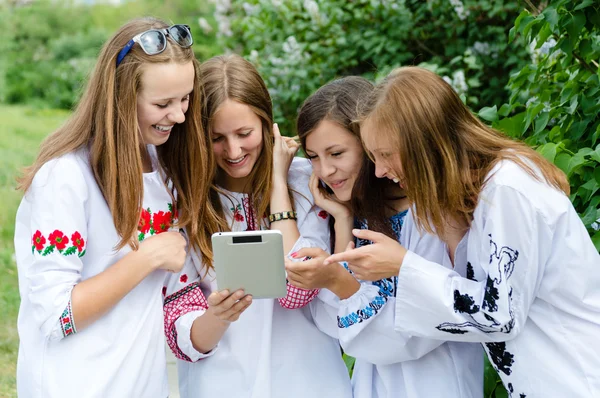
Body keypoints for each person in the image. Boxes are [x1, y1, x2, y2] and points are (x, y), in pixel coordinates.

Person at [325, 66, 600, 397]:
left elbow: (500, 315)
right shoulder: (474, 198)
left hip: (577, 378)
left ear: (426, 142)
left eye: (386, 155)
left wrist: (404, 265)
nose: (381, 171)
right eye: (373, 156)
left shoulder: (508, 189)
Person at [14, 18, 213, 397]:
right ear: (120, 98)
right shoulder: (65, 178)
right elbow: (57, 316)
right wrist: (146, 257)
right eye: (162, 103)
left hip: (141, 385)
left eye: (186, 97)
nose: (180, 115)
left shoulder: (165, 170)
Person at [162, 54, 352, 398]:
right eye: (216, 137)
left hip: (310, 384)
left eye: (244, 133)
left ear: (267, 124)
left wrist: (279, 187)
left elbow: (298, 291)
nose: (233, 150)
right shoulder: (184, 202)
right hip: (222, 385)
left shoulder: (307, 184)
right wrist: (218, 316)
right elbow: (180, 334)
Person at [286, 76, 483, 398]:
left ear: (370, 144)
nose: (325, 171)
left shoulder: (432, 214)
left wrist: (338, 280)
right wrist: (343, 218)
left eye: (336, 153)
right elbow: (336, 324)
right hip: (372, 386)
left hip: (437, 383)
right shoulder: (353, 217)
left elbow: (407, 336)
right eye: (314, 158)